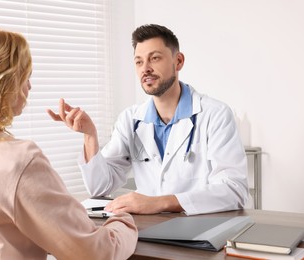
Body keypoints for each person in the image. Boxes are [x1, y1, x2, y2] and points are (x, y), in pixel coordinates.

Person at [0, 27, 137, 260]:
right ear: (4, 82)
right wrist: (123, 222)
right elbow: (95, 253)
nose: (29, 86)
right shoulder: (17, 160)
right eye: (25, 75)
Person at [47, 24, 249, 216]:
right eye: (139, 61)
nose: (145, 68)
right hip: (148, 229)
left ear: (178, 61)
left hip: (201, 230)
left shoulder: (215, 114)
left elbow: (234, 190)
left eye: (155, 58)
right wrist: (89, 136)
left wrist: (159, 202)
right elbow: (100, 186)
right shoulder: (131, 119)